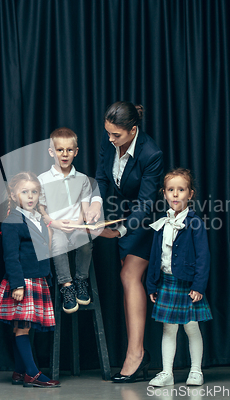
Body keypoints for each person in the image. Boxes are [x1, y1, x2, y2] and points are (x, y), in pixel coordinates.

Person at [86, 101, 164, 383]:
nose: (109, 139)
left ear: (133, 130)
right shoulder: (109, 142)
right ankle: (139, 353)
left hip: (144, 221)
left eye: (116, 135)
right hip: (120, 215)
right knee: (128, 278)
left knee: (129, 276)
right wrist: (95, 204)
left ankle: (136, 355)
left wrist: (119, 231)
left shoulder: (151, 153)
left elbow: (145, 205)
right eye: (107, 133)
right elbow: (101, 178)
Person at [0, 172, 60, 388]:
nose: (30, 196)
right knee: (22, 328)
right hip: (23, 282)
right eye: (25, 192)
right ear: (13, 194)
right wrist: (17, 285)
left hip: (37, 279)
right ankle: (32, 374)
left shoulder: (37, 218)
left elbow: (45, 249)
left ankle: (19, 372)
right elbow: (10, 256)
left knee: (24, 327)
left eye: (34, 192)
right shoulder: (12, 220)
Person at [146, 168, 212, 387]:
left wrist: (198, 286)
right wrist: (151, 283)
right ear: (164, 193)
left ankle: (196, 371)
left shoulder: (195, 224)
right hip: (166, 283)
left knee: (192, 327)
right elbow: (155, 256)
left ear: (190, 194)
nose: (175, 194)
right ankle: (167, 373)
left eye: (181, 190)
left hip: (187, 285)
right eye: (171, 190)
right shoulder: (161, 224)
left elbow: (203, 257)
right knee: (168, 328)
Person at [38, 127, 98, 313]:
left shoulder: (82, 179)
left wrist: (79, 222)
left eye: (69, 150)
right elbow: (41, 208)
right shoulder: (43, 179)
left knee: (85, 242)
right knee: (58, 244)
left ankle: (81, 280)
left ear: (76, 152)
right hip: (55, 227)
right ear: (51, 152)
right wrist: (53, 223)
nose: (64, 154)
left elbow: (85, 205)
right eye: (59, 150)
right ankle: (66, 286)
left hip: (76, 226)